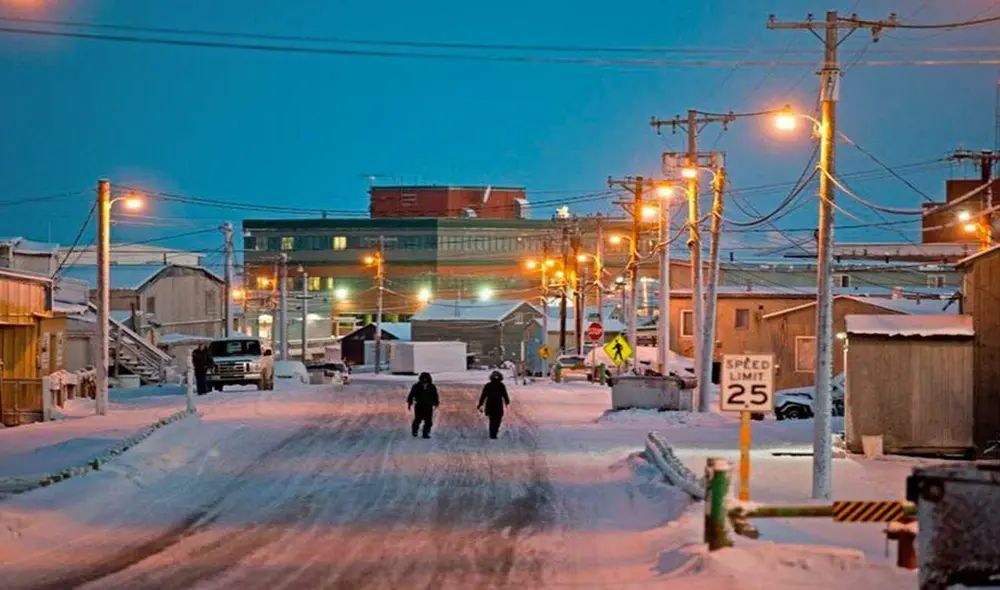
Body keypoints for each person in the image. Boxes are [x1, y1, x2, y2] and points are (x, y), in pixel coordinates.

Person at [477, 370, 510, 439]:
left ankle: (492, 433)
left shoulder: (489, 385)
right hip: (497, 404)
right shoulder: (501, 385)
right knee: (497, 420)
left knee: (493, 420)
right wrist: (507, 402)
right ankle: (493, 433)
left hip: (491, 404)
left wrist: (480, 404)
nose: (496, 378)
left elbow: (483, 395)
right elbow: (505, 395)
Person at [407, 372, 439, 439]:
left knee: (428, 421)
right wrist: (409, 403)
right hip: (419, 405)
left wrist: (436, 402)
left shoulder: (432, 387)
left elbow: (435, 395)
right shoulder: (416, 386)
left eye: (426, 379)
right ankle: (414, 430)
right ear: (421, 379)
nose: (424, 380)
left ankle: (425, 433)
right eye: (423, 379)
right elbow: (411, 395)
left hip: (428, 406)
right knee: (418, 419)